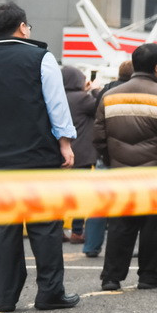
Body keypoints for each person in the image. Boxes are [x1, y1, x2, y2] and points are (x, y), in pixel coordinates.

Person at [0, 3, 79, 312]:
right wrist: (66, 143)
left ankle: (4, 297)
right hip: (37, 157)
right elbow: (56, 105)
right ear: (21, 27)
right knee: (45, 226)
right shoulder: (40, 58)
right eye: (28, 26)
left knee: (4, 228)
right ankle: (49, 293)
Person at [93, 43, 157, 291]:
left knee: (120, 225)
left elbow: (99, 138)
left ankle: (111, 277)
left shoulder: (110, 96)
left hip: (121, 171)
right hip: (156, 174)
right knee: (153, 226)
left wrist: (112, 160)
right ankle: (149, 276)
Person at [61, 65, 106, 252]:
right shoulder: (82, 99)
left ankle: (57, 230)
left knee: (60, 195)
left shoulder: (59, 97)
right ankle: (77, 231)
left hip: (61, 154)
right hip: (81, 154)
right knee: (81, 195)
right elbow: (101, 105)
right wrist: (95, 89)